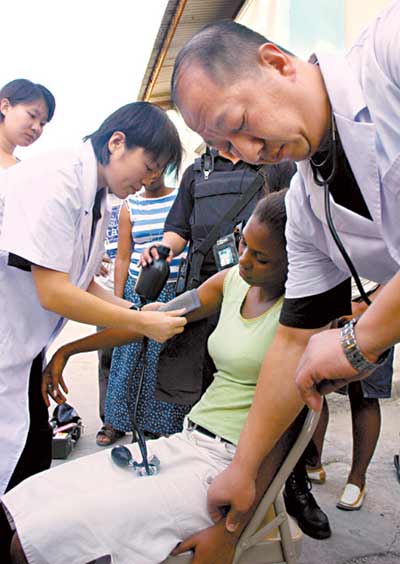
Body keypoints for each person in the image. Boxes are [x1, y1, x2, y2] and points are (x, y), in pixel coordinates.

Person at [168, 2, 400, 534]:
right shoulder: (305, 210)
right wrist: (243, 469)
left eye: (239, 124)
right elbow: (293, 341)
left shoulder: (388, 53)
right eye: (225, 146)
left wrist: (359, 340)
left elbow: (346, 341)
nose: (249, 152)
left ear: (276, 62)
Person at [3, 191, 319, 564]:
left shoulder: (303, 323)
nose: (244, 261)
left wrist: (230, 532)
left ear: (297, 261)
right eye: (242, 243)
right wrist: (71, 350)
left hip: (228, 465)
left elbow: (285, 434)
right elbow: (151, 322)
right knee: (27, 504)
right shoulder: (232, 282)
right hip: (189, 441)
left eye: (261, 257)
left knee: (37, 541)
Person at [0, 101, 187, 561]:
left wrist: (132, 308)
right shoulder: (60, 179)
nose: (148, 179)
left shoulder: (99, 197)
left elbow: (80, 279)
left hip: (24, 351)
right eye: (149, 166)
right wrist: (139, 321)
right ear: (117, 142)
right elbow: (53, 291)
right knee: (17, 469)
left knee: (31, 460)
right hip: (9, 342)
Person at [140, 149, 296, 408]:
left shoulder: (278, 166)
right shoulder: (195, 171)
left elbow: (294, 225)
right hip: (203, 288)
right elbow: (178, 229)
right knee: (193, 380)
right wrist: (163, 249)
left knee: (255, 377)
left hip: (257, 294)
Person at [97, 174, 189, 446]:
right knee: (127, 360)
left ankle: (156, 426)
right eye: (146, 169)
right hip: (139, 290)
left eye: (156, 168)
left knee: (161, 363)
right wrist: (118, 303)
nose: (150, 176)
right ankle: (116, 421)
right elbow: (123, 257)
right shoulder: (130, 206)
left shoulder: (180, 198)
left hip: (173, 291)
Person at [306, 282, 394, 511]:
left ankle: (357, 478)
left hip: (377, 304)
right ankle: (313, 463)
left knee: (364, 393)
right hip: (326, 295)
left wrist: (368, 303)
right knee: (314, 384)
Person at [0, 79, 55, 236]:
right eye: (32, 115)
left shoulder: (24, 170)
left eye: (43, 123)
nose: (36, 127)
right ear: (5, 107)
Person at [94, 192, 123, 429]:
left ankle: (133, 417)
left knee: (131, 360)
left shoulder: (132, 198)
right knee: (107, 358)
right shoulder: (94, 198)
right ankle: (111, 420)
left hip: (132, 289)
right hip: (103, 292)